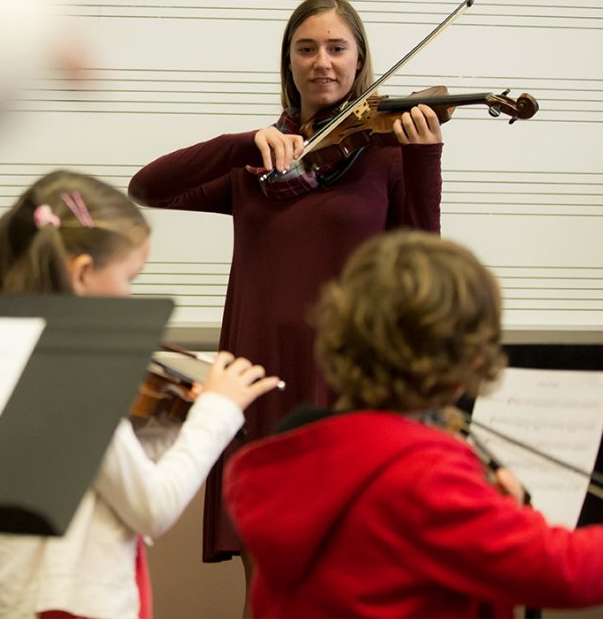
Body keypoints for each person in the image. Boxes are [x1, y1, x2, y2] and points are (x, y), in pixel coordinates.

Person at [128, 0, 444, 564]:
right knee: (267, 571)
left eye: (336, 48)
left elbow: (424, 266)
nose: (322, 61)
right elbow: (148, 187)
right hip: (258, 374)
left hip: (346, 376)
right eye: (307, 49)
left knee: (343, 570)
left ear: (358, 59)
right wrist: (242, 144)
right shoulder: (257, 165)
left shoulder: (387, 154)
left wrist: (424, 161)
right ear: (289, 63)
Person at [223, 229, 603, 618]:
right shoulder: (428, 475)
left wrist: (496, 517)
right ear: (468, 360)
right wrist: (517, 519)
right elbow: (564, 572)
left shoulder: (287, 453)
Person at [0, 170, 280, 619]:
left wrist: (161, 427)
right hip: (70, 607)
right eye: (130, 277)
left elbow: (103, 478)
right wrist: (217, 411)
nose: (130, 294)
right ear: (83, 272)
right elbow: (151, 507)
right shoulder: (70, 377)